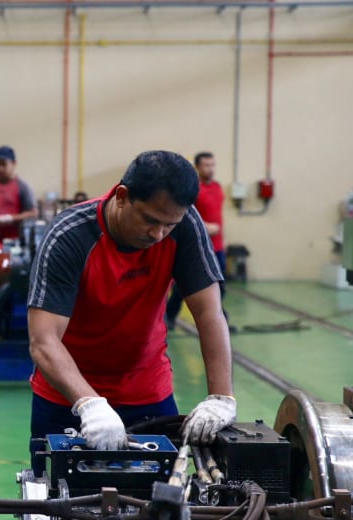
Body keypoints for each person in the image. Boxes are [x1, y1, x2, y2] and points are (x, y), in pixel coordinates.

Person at [27, 150, 234, 476]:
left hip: (147, 391)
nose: (158, 235)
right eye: (150, 220)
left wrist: (221, 398)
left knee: (162, 509)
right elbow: (44, 341)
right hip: (66, 396)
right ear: (122, 197)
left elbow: (209, 313)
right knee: (57, 508)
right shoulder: (70, 235)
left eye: (169, 224)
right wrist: (88, 404)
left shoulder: (184, 226)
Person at [165, 152, 227, 330]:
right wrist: (205, 227)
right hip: (198, 245)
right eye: (206, 165)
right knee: (183, 287)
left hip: (218, 246)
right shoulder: (193, 189)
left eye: (212, 164)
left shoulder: (217, 187)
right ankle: (170, 316)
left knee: (219, 286)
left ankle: (218, 317)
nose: (210, 168)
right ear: (198, 167)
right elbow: (184, 213)